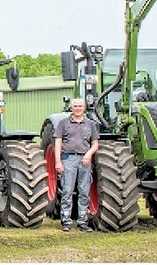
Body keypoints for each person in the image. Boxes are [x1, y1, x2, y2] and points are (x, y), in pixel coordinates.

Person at [54, 98, 100, 232]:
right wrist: (58, 162)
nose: (78, 108)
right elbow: (58, 143)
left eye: (80, 106)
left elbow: (95, 144)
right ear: (71, 108)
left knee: (84, 191)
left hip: (84, 160)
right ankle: (66, 221)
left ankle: (82, 221)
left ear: (84, 108)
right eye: (75, 106)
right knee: (67, 190)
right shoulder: (63, 123)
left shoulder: (90, 124)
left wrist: (89, 154)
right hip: (68, 159)